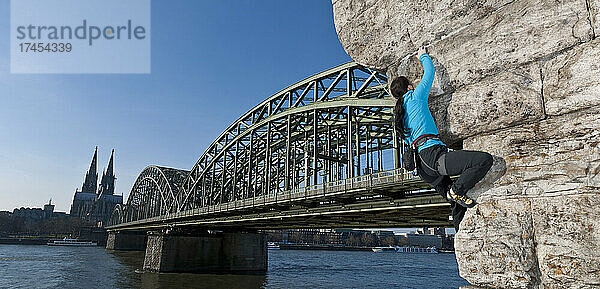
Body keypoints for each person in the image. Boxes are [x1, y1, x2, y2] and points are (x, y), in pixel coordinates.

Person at [391, 46, 493, 231]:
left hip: (423, 168)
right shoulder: (415, 97)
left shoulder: (399, 114)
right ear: (409, 87)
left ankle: (461, 235)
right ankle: (456, 191)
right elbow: (429, 73)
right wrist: (423, 55)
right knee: (483, 160)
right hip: (434, 157)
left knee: (455, 204)